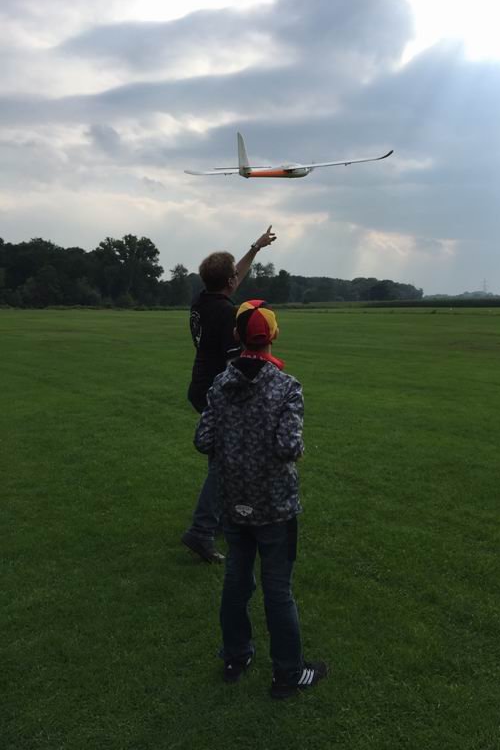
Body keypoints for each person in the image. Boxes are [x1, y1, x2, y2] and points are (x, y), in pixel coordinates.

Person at [194, 300, 327, 698]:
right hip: (275, 506)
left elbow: (203, 439)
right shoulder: (287, 387)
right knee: (278, 590)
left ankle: (235, 657)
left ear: (237, 336)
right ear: (273, 335)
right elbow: (289, 447)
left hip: (232, 502)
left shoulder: (220, 385)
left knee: (236, 581)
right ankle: (287, 674)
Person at [181, 227, 277, 563]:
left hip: (200, 386)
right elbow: (234, 364)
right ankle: (201, 530)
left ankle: (218, 519)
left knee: (222, 457)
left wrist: (255, 248)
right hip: (217, 391)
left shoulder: (202, 301)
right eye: (234, 275)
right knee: (225, 462)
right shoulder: (226, 313)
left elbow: (232, 275)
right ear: (230, 282)